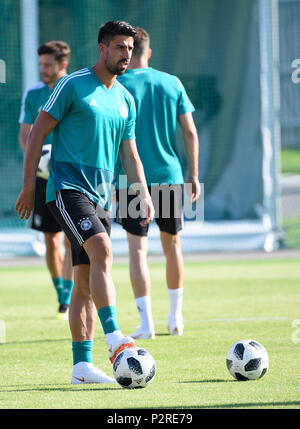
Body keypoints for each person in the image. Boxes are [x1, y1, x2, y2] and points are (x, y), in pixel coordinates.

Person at [15, 21, 154, 384]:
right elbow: (34, 136)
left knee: (83, 281)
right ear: (102, 48)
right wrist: (29, 187)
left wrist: (142, 192)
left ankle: (81, 368)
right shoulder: (72, 84)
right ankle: (114, 338)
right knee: (103, 251)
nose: (126, 54)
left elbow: (131, 155)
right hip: (65, 188)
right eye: (119, 47)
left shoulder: (126, 99)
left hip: (101, 196)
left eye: (129, 48)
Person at [115, 27, 200, 339]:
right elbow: (190, 132)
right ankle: (175, 318)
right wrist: (193, 174)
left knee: (137, 250)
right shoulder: (171, 82)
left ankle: (146, 324)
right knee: (172, 244)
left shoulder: (116, 84)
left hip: (130, 180)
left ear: (128, 51)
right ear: (148, 52)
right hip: (169, 175)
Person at [18, 41, 74, 320]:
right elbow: (24, 135)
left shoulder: (74, 89)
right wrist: (38, 160)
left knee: (71, 240)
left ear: (62, 64)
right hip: (42, 177)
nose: (43, 69)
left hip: (71, 175)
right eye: (41, 64)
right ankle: (62, 295)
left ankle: (70, 296)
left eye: (48, 65)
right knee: (51, 241)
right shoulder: (33, 94)